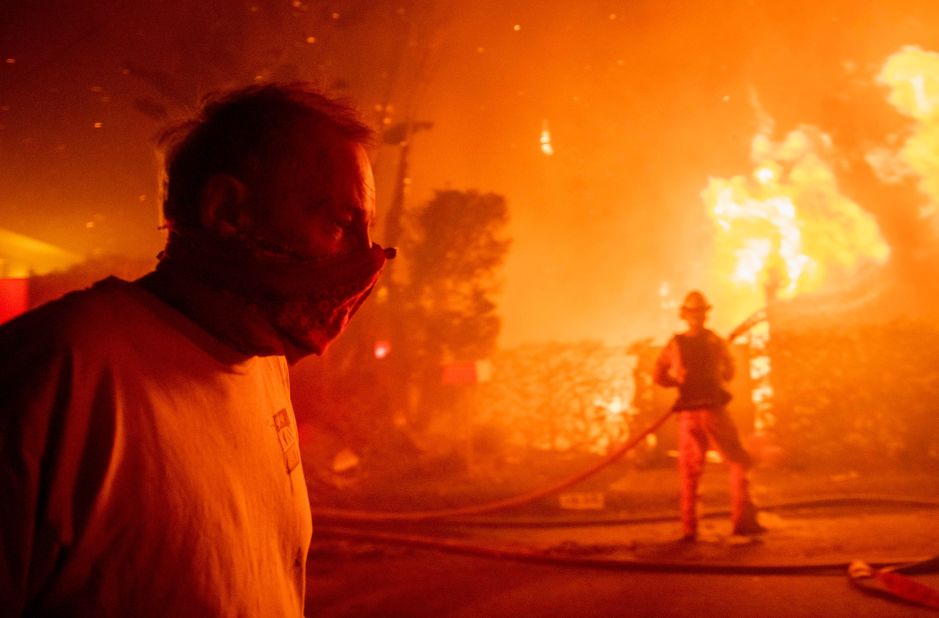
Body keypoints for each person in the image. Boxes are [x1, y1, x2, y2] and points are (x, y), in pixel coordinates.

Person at [0, 83, 394, 616]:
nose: (364, 259)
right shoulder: (57, 370)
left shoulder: (263, 366)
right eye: (338, 225)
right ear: (227, 210)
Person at [653, 290, 764, 541]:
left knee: (690, 472)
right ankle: (743, 521)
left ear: (685, 315)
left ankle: (690, 528)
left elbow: (658, 375)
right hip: (714, 412)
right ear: (704, 315)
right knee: (739, 462)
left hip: (688, 416)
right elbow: (729, 374)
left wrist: (677, 380)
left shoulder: (675, 344)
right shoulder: (715, 342)